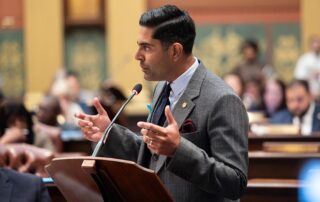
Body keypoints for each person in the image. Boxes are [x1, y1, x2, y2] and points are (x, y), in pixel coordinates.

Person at [76, 5, 248, 202]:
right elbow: (153, 155)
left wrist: (179, 150)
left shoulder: (222, 99)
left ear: (175, 51)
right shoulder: (161, 88)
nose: (137, 55)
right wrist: (109, 133)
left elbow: (235, 182)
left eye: (146, 47)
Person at [294, 35, 320, 100]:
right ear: (310, 45)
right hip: (309, 94)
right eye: (314, 43)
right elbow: (298, 77)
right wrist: (310, 75)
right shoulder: (304, 59)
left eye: (318, 43)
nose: (316, 45)